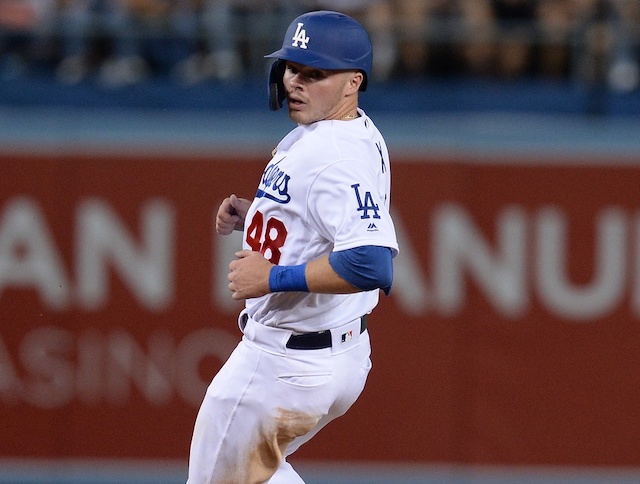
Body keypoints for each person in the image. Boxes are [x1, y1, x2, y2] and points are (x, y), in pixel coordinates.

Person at [186, 10, 399, 484]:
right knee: (256, 474)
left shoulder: (333, 154)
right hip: (337, 354)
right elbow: (326, 221)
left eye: (315, 74)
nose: (295, 83)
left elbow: (372, 264)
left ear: (354, 82)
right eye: (291, 68)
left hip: (284, 363)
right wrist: (259, 216)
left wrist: (271, 277)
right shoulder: (353, 130)